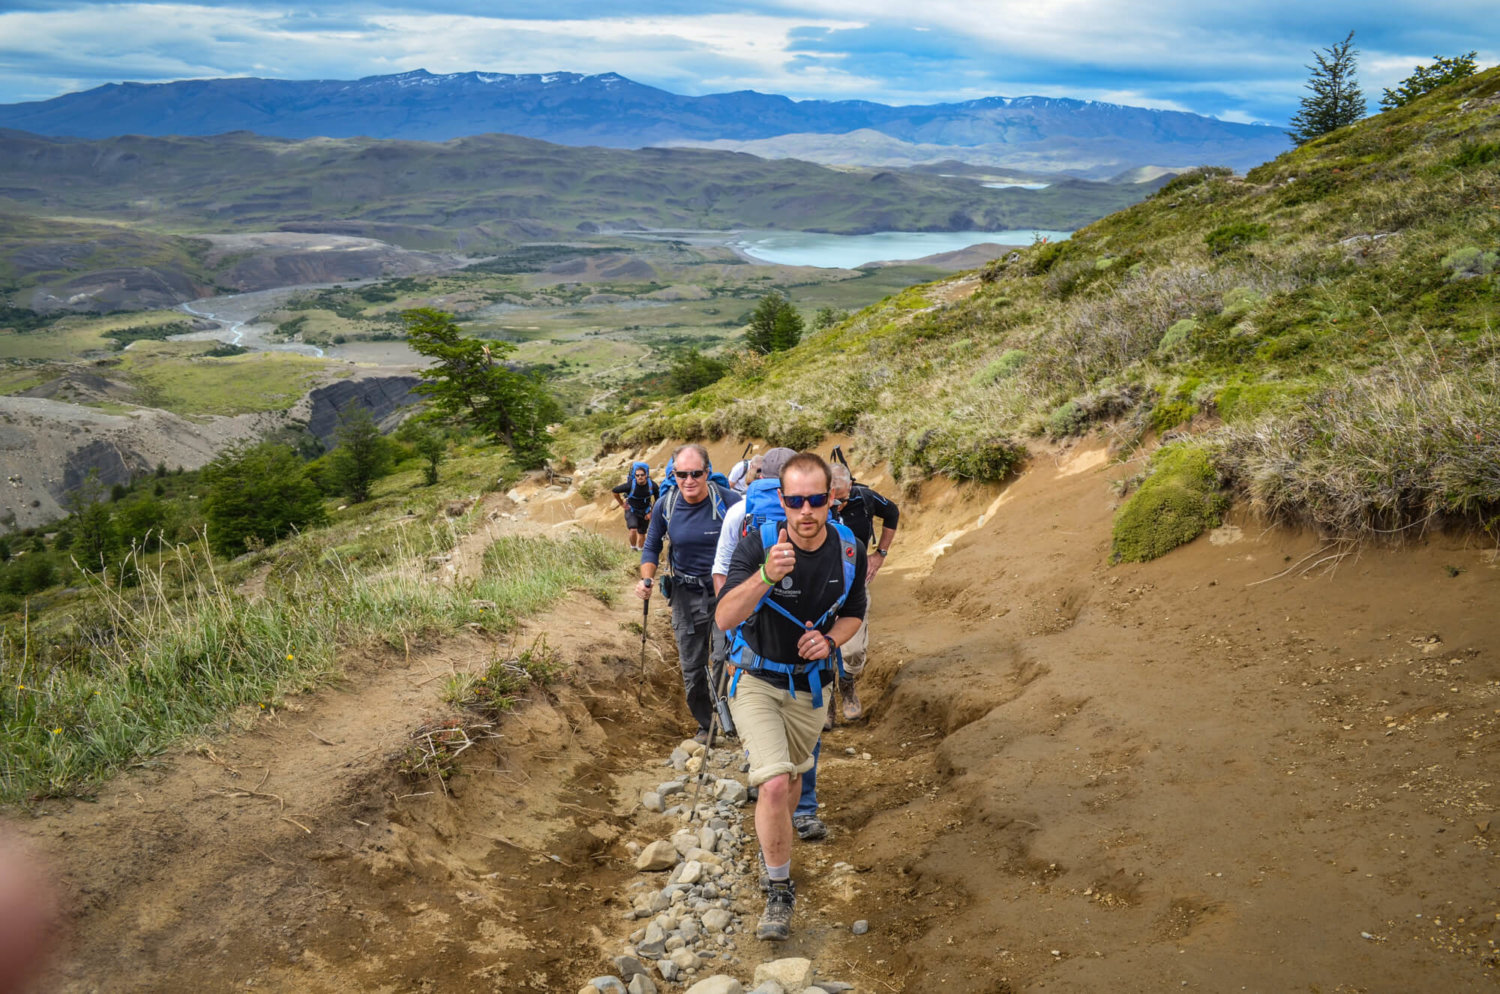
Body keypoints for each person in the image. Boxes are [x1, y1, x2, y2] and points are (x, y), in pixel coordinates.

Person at [717, 452, 867, 941]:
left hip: (810, 686)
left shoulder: (848, 549)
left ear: (831, 500)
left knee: (796, 778)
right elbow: (723, 618)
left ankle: (774, 851)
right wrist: (764, 576)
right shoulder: (757, 541)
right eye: (796, 500)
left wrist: (830, 642)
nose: (806, 511)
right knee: (776, 784)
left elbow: (855, 613)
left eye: (816, 500)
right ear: (781, 500)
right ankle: (779, 887)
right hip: (756, 679)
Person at [637, 444, 741, 742]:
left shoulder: (730, 502)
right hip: (685, 592)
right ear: (674, 474)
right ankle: (705, 723)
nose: (689, 480)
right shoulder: (665, 505)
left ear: (707, 473)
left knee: (724, 657)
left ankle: (728, 718)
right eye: (681, 474)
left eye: (696, 473)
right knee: (692, 667)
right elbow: (652, 545)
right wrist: (646, 579)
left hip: (726, 591)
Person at [828, 462, 899, 721]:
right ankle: (826, 701)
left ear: (851, 485)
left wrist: (879, 554)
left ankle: (847, 684)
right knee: (821, 639)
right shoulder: (814, 504)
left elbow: (892, 512)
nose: (838, 505)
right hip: (820, 583)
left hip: (855, 582)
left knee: (853, 650)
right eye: (832, 500)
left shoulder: (864, 497)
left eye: (842, 498)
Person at [612, 461, 658, 551]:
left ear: (646, 475)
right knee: (633, 529)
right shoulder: (630, 485)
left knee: (642, 533)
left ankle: (640, 551)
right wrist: (621, 503)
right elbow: (614, 491)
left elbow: (658, 500)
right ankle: (633, 549)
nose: (640, 477)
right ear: (635, 476)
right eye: (637, 475)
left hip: (645, 511)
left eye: (642, 475)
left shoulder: (652, 486)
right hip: (631, 509)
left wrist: (651, 513)